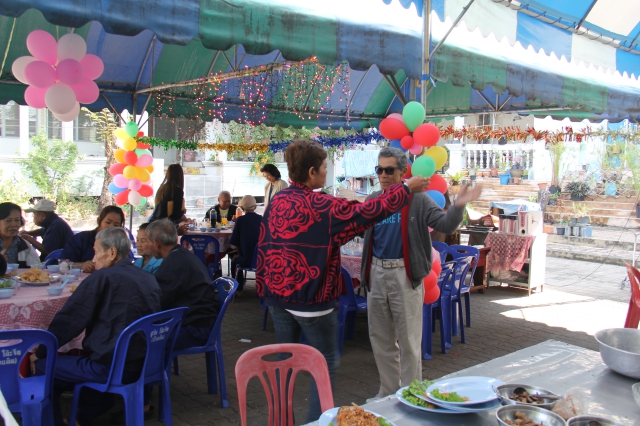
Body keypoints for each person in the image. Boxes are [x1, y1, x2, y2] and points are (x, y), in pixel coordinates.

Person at [257, 139, 430, 422]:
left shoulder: (279, 200)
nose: (327, 171)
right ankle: (318, 420)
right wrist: (405, 189)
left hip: (277, 298)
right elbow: (366, 213)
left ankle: (280, 419)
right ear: (312, 172)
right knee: (323, 365)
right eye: (325, 167)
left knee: (284, 366)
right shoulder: (322, 205)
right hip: (312, 300)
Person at [361, 147, 482, 399]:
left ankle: (411, 395)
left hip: (405, 275)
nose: (383, 175)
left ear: (402, 171)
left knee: (409, 341)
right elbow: (361, 228)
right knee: (380, 339)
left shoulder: (418, 199)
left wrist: (458, 205)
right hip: (376, 273)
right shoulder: (373, 199)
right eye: (379, 170)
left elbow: (445, 224)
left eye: (389, 170)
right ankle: (387, 393)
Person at [31, 227, 162, 426]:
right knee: (95, 354)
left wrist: (41, 351)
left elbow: (70, 320)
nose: (93, 259)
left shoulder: (102, 277)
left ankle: (57, 421)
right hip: (148, 363)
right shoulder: (147, 277)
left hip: (113, 368)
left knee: (43, 365)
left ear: (112, 253)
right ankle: (87, 413)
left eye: (96, 251)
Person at [146, 219, 218, 348]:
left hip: (195, 329)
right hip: (199, 321)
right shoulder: (181, 254)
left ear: (156, 244)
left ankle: (157, 362)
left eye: (147, 242)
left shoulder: (174, 263)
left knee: (143, 339)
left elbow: (158, 300)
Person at [61, 205, 125, 273]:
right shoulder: (81, 239)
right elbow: (63, 264)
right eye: (108, 222)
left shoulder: (121, 245)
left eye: (116, 225)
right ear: (99, 221)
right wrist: (81, 265)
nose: (111, 227)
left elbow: (125, 265)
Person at [229, 195, 261, 297]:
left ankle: (239, 289)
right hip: (261, 259)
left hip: (245, 260)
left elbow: (234, 242)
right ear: (255, 207)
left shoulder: (240, 220)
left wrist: (239, 254)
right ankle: (260, 289)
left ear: (242, 208)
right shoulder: (262, 219)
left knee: (234, 259)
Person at [0, 202, 40, 268]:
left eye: (17, 220)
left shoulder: (25, 246)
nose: (13, 225)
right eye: (8, 220)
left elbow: (36, 269)